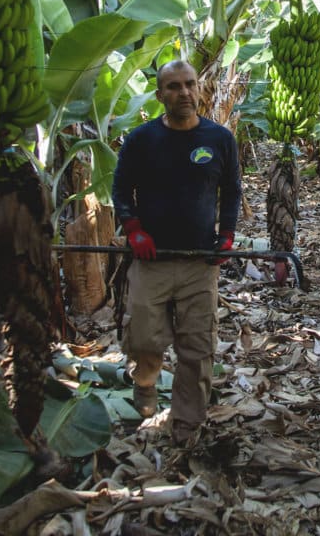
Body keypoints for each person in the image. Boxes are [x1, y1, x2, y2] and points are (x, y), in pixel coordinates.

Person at [111, 59, 242, 447]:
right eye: (173, 87)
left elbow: (231, 190)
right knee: (145, 340)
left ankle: (187, 424)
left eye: (189, 84)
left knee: (198, 346)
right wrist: (133, 229)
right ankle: (146, 388)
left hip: (199, 263)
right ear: (160, 95)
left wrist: (228, 235)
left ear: (199, 89)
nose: (184, 92)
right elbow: (121, 190)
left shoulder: (219, 139)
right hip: (151, 261)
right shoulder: (141, 140)